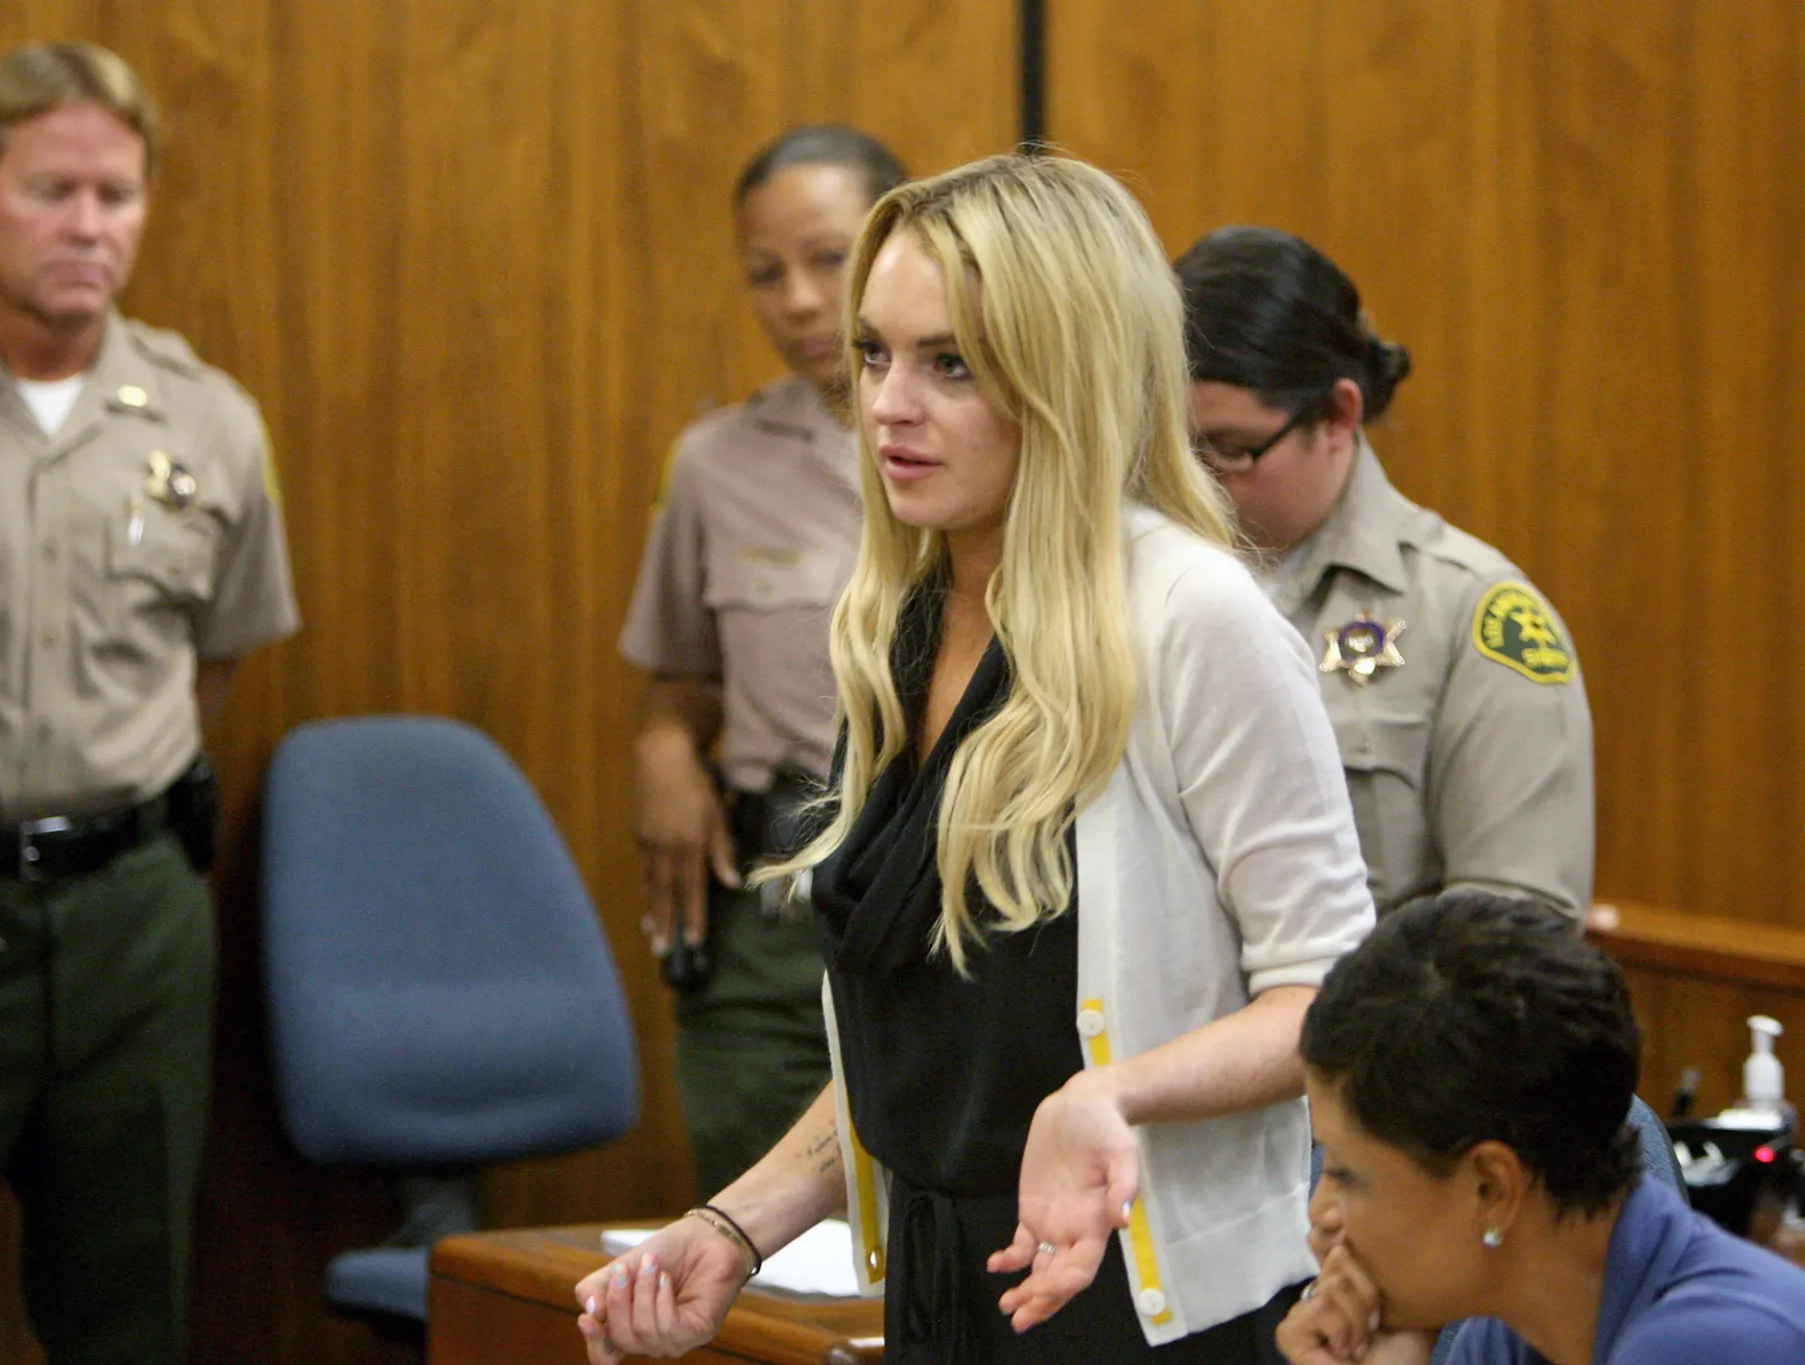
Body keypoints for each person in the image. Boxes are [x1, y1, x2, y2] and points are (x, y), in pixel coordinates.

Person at [580, 154, 1374, 1363]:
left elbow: (1333, 998)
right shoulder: (895, 620)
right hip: (945, 1290)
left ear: (1066, 376)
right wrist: (735, 1226)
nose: (887, 405)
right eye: (873, 355)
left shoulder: (1190, 615)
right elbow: (923, 1053)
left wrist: (1113, 1091)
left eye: (949, 363)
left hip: (1144, 1308)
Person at [0, 43, 298, 1363]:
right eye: (50, 190)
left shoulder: (207, 419)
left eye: (115, 196)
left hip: (133, 916)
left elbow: (214, 659)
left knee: (128, 1301)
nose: (87, 226)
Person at [618, 125, 905, 1199]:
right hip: (778, 900)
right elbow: (682, 680)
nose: (797, 300)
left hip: (942, 888)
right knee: (753, 1234)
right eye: (763, 273)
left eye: (828, 258)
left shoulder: (999, 437)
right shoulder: (716, 462)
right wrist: (662, 747)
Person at [1177, 228, 1595, 921]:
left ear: (1337, 415)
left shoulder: (1468, 613)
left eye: (1228, 448)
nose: (1194, 479)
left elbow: (1514, 932)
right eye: (1171, 447)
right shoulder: (1129, 584)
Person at [1284, 889, 1805, 1365]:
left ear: (1492, 1187)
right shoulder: (1521, 1326)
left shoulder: (1720, 1345)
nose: (1319, 1215)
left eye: (1346, 1176)